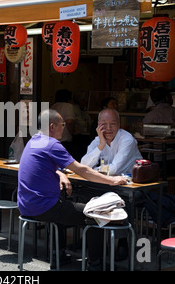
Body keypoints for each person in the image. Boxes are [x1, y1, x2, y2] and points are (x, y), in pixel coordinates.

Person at [18, 109, 127, 270]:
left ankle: (59, 255)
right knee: (95, 214)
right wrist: (112, 180)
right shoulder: (52, 144)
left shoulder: (34, 140)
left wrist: (60, 174)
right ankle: (95, 264)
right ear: (53, 126)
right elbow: (82, 170)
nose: (65, 128)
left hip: (26, 205)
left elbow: (41, 165)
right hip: (44, 207)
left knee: (66, 205)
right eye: (62, 125)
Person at [82, 108, 142, 176]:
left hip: (131, 181)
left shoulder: (127, 140)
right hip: (109, 180)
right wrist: (101, 145)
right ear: (98, 124)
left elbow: (114, 169)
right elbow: (84, 164)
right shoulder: (98, 140)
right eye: (104, 123)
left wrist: (93, 170)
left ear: (119, 125)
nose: (108, 128)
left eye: (113, 123)